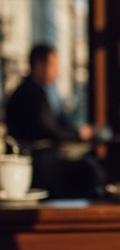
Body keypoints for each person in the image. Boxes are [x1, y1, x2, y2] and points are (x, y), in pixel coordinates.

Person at [4, 44, 103, 197]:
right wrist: (78, 134)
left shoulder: (32, 91)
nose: (57, 71)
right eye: (53, 64)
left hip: (38, 161)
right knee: (88, 169)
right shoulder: (31, 94)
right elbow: (49, 128)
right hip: (36, 164)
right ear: (38, 65)